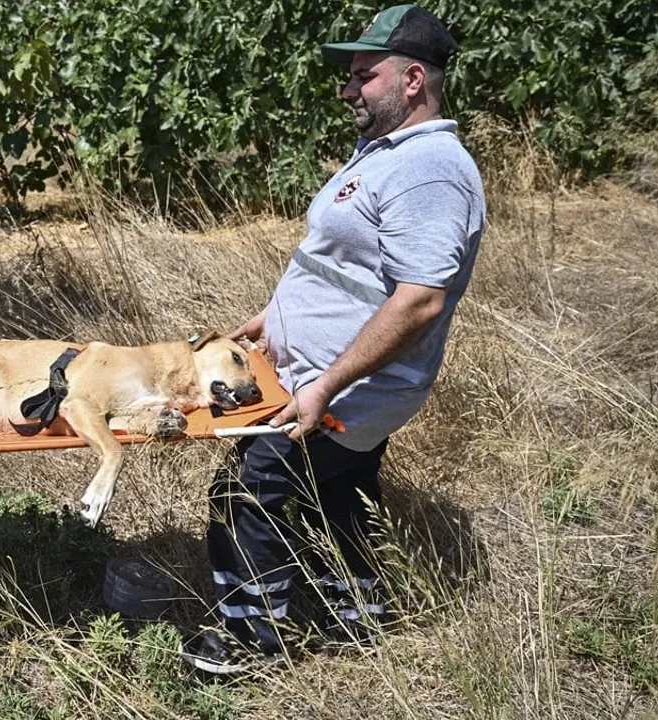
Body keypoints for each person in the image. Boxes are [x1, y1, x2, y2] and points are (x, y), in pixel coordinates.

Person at [181, 4, 485, 675]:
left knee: (246, 494)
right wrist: (273, 317)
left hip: (339, 387)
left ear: (412, 81)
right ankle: (360, 613)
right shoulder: (385, 153)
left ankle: (252, 639)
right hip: (319, 376)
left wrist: (323, 385)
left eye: (362, 75)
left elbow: (420, 299)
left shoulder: (430, 170)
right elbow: (341, 262)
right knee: (342, 493)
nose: (348, 89)